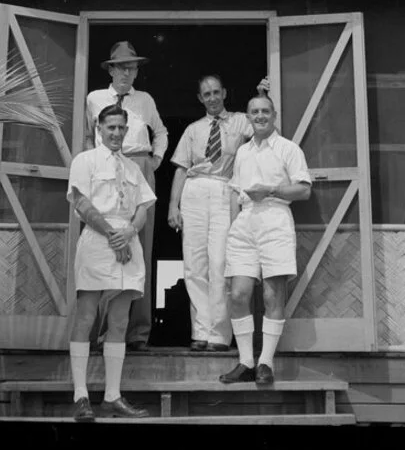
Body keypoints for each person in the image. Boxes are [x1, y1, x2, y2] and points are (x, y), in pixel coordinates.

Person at [66, 102, 156, 422]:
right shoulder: (85, 160)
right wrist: (111, 234)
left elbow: (144, 206)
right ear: (99, 130)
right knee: (87, 315)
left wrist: (129, 231)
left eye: (121, 128)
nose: (116, 133)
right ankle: (80, 396)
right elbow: (81, 201)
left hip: (127, 243)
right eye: (111, 128)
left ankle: (112, 395)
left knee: (120, 320)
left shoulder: (132, 168)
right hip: (97, 239)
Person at [167, 74, 269, 352]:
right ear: (200, 99)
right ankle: (200, 331)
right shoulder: (193, 129)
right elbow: (180, 168)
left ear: (224, 93)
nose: (212, 98)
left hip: (224, 189)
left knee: (220, 262)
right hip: (194, 191)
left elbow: (264, 129)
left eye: (215, 92)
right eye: (206, 94)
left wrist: (261, 95)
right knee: (194, 263)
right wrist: (173, 205)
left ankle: (220, 335)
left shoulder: (239, 121)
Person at [219, 94, 311, 386]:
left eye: (265, 111)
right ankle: (245, 361)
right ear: (248, 117)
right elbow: (235, 191)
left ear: (274, 115)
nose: (260, 116)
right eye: (254, 112)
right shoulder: (243, 152)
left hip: (275, 219)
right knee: (238, 295)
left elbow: (304, 190)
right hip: (245, 222)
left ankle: (265, 363)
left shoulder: (288, 149)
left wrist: (271, 191)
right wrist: (234, 226)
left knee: (273, 295)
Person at [84, 41, 168, 350]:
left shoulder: (144, 100)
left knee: (140, 248)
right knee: (107, 244)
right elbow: (87, 136)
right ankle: (102, 330)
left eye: (131, 68)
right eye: (121, 67)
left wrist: (155, 160)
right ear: (110, 69)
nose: (126, 73)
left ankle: (137, 333)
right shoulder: (95, 99)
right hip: (107, 167)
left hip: (140, 165)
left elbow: (161, 132)